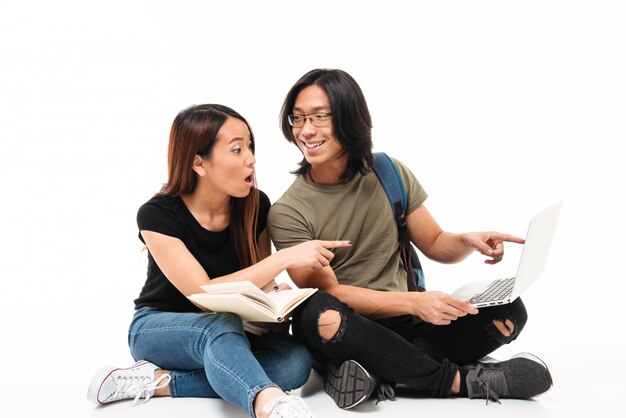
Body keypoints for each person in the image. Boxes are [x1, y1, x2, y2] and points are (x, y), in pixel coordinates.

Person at [268, 69, 554, 409]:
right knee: (314, 310)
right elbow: (331, 292)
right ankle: (459, 381)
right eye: (298, 119)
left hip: (408, 326)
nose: (306, 130)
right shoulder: (287, 211)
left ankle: (376, 373)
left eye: (320, 117)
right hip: (348, 329)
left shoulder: (388, 172)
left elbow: (434, 242)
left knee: (509, 308)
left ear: (349, 118)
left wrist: (466, 239)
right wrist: (416, 302)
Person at [86, 104, 351, 418]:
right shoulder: (156, 214)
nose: (250, 158)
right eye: (237, 149)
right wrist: (284, 258)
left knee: (294, 363)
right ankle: (269, 404)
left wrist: (274, 302)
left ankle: (158, 383)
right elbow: (203, 296)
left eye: (250, 146)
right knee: (219, 325)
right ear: (199, 163)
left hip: (234, 331)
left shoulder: (256, 205)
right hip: (158, 328)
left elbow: (257, 281)